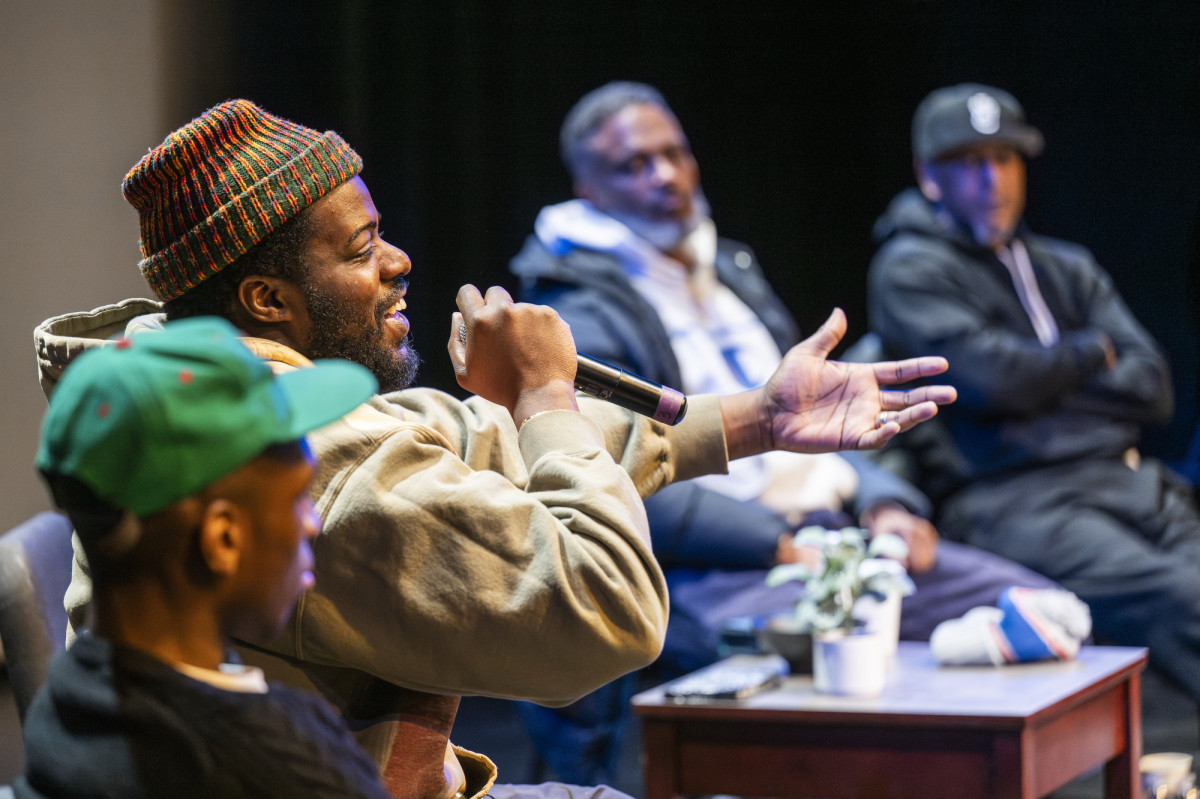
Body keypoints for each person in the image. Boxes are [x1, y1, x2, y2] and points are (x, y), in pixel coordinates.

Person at [34, 99, 953, 799]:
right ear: (269, 299)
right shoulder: (297, 452)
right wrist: (547, 391)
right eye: (361, 248)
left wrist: (758, 416)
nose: (396, 262)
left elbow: (478, 441)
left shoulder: (202, 385)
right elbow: (605, 609)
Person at [508, 80, 1057, 784]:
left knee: (1046, 619)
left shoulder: (727, 266)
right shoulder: (572, 306)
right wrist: (776, 543)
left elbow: (807, 414)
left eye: (674, 153)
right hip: (718, 568)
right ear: (584, 185)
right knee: (867, 688)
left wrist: (888, 499)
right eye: (633, 165)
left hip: (836, 536)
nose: (666, 176)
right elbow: (613, 470)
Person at [867, 82, 1200, 705]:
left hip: (1123, 480)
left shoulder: (1064, 265)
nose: (992, 180)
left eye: (1004, 159)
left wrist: (1035, 387)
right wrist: (1085, 353)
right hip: (1016, 500)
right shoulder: (909, 269)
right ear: (928, 176)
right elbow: (990, 380)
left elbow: (1153, 387)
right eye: (970, 163)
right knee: (1185, 599)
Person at [18, 316, 388, 798]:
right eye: (299, 497)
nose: (310, 522)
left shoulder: (67, 694)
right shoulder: (288, 765)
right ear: (223, 539)